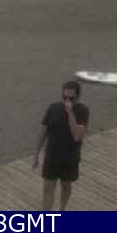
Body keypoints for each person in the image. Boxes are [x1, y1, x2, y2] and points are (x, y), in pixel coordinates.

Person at [33, 80, 89, 211]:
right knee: (47, 187)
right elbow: (43, 132)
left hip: (70, 158)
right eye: (65, 97)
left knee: (66, 186)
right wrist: (36, 155)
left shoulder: (82, 111)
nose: (67, 101)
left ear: (78, 97)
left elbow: (77, 135)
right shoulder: (53, 108)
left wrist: (70, 113)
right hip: (52, 156)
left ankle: (62, 210)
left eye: (71, 98)